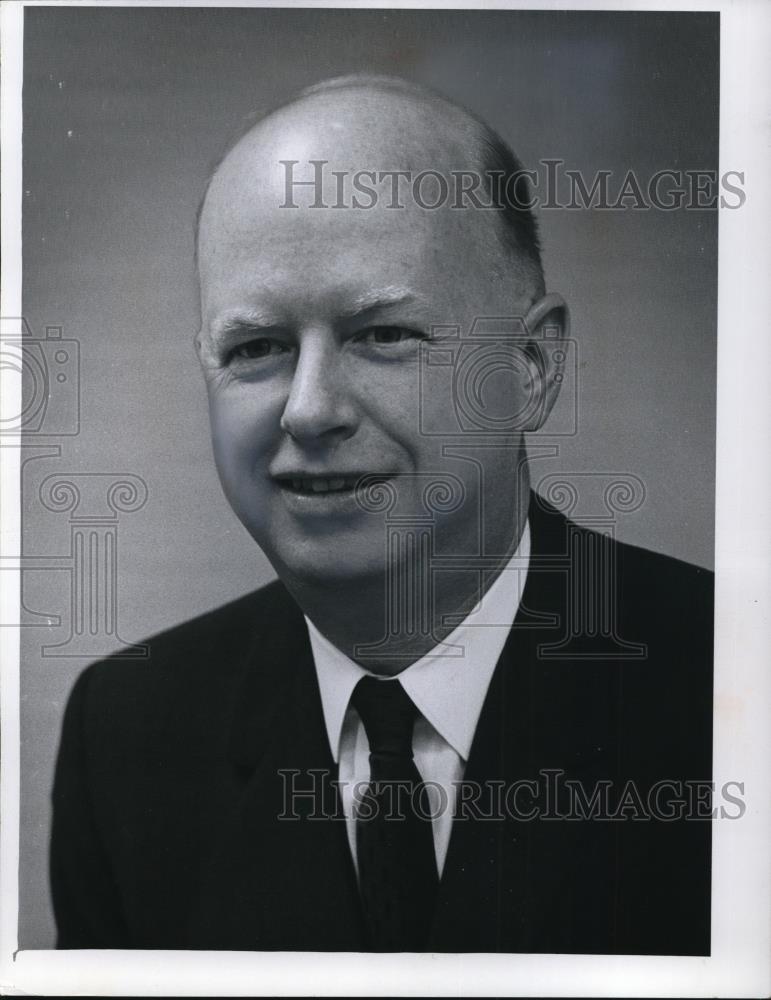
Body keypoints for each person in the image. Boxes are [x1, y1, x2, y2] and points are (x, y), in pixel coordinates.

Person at [50, 75, 713, 954]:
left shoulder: (727, 683)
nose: (309, 410)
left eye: (383, 335)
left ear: (528, 368)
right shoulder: (127, 735)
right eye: (256, 349)